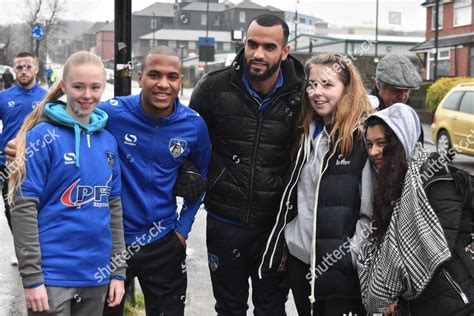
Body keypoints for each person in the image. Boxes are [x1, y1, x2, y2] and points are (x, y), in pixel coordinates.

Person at [189, 14, 305, 315]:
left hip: (275, 228)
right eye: (252, 44)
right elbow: (188, 143)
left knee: (271, 307)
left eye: (269, 47)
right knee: (229, 308)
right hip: (225, 222)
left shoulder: (303, 95)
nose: (258, 54)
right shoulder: (212, 88)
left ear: (285, 51)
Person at [9, 51, 126, 315]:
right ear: (63, 86)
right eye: (78, 87)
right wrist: (33, 279)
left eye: (95, 87)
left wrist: (118, 272)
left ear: (104, 87)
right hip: (52, 278)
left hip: (96, 276)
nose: (87, 95)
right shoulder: (42, 136)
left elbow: (114, 210)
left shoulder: (108, 142)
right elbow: (24, 208)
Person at [259, 53, 373, 315]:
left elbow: (373, 212)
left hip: (341, 269)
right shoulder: (307, 132)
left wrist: (350, 256)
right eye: (312, 84)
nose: (316, 92)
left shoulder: (362, 138)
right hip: (301, 262)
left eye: (327, 84)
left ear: (347, 89)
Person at [101, 46, 211, 315]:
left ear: (180, 80)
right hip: (113, 244)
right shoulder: (112, 113)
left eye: (172, 77)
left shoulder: (193, 125)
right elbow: (67, 112)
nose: (163, 84)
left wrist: (183, 230)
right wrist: (23, 140)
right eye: (154, 75)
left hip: (164, 242)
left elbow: (204, 178)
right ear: (140, 77)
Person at [358, 103, 474, 316]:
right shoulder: (388, 186)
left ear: (401, 140)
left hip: (456, 300)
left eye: (381, 143)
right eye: (369, 144)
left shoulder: (433, 177)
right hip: (419, 305)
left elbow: (431, 249)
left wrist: (393, 292)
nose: (373, 152)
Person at [0, 52, 47, 266]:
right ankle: (21, 250)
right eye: (19, 67)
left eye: (28, 66)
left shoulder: (47, 98)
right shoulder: (4, 97)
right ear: (14, 69)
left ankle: (39, 248)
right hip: (8, 165)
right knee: (12, 209)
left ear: (36, 69)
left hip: (38, 164)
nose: (24, 71)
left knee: (38, 208)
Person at [371, 54, 424, 143]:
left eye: (407, 91)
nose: (403, 97)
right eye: (396, 90)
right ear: (378, 85)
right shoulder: (364, 118)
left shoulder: (412, 118)